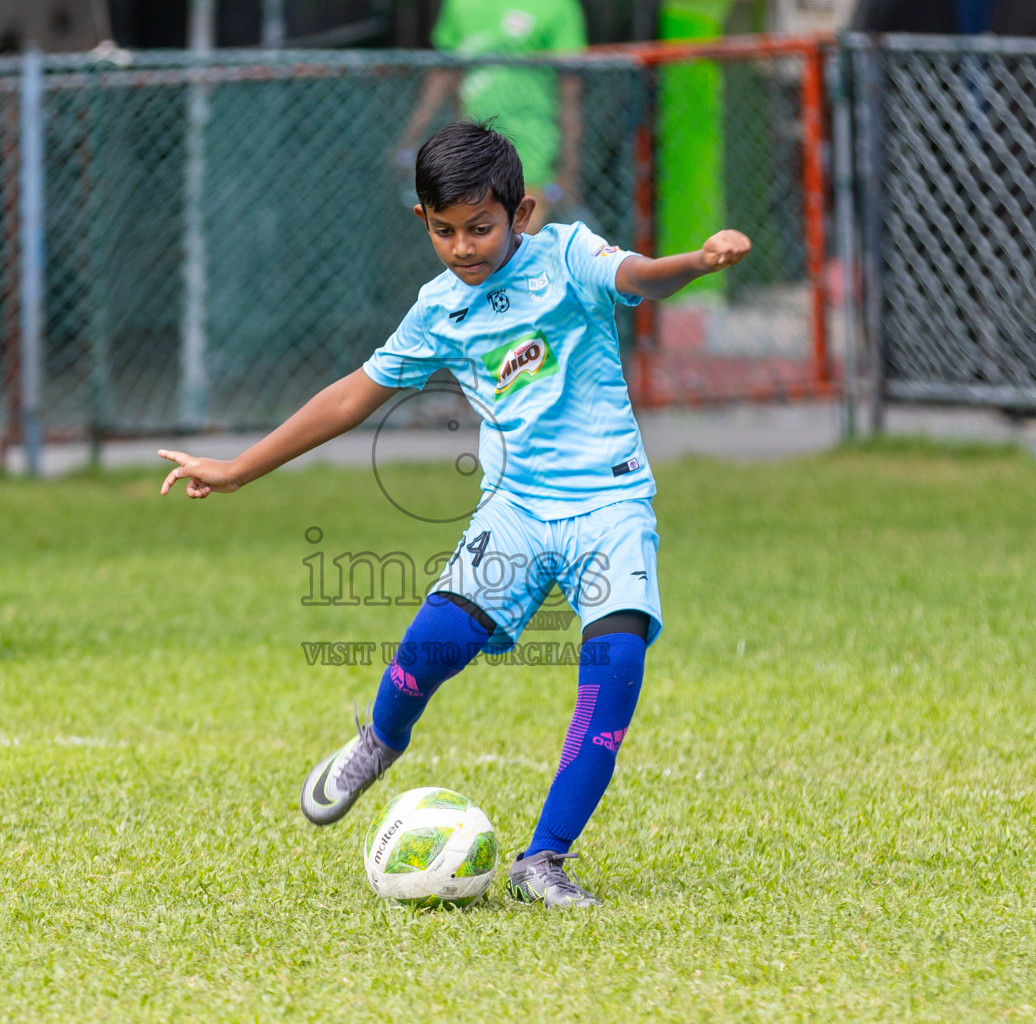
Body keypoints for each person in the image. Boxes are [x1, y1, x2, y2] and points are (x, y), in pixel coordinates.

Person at [158, 120, 750, 907]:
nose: (464, 247)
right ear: (422, 222)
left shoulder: (569, 257)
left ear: (522, 213)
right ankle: (380, 740)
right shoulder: (438, 311)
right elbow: (347, 400)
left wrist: (698, 262)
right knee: (431, 646)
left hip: (610, 504)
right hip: (516, 511)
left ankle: (544, 860)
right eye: (445, 231)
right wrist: (237, 469)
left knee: (616, 669)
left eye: (481, 228)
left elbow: (639, 275)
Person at [396, 0, 586, 231]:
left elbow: (570, 92)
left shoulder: (558, 6)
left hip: (531, 150)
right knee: (471, 245)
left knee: (516, 243)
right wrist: (410, 139)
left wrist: (569, 166)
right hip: (471, 152)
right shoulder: (459, 4)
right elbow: (443, 75)